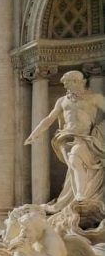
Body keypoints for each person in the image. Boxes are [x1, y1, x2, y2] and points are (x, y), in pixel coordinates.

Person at [25, 69, 105, 212]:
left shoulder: (95, 97)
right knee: (73, 168)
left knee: (75, 160)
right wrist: (35, 134)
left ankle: (81, 194)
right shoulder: (62, 101)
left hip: (85, 137)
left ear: (78, 82)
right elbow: (49, 119)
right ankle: (76, 195)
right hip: (65, 137)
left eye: (67, 83)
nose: (65, 86)